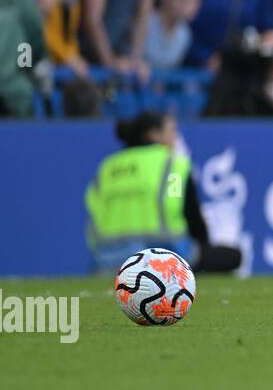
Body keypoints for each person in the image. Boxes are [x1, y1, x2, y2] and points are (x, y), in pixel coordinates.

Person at [84, 111, 240, 274]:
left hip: (109, 258)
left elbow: (94, 211)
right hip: (166, 254)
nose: (175, 137)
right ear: (154, 134)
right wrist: (203, 244)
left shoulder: (108, 167)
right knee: (233, 257)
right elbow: (185, 209)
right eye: (172, 130)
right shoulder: (173, 167)